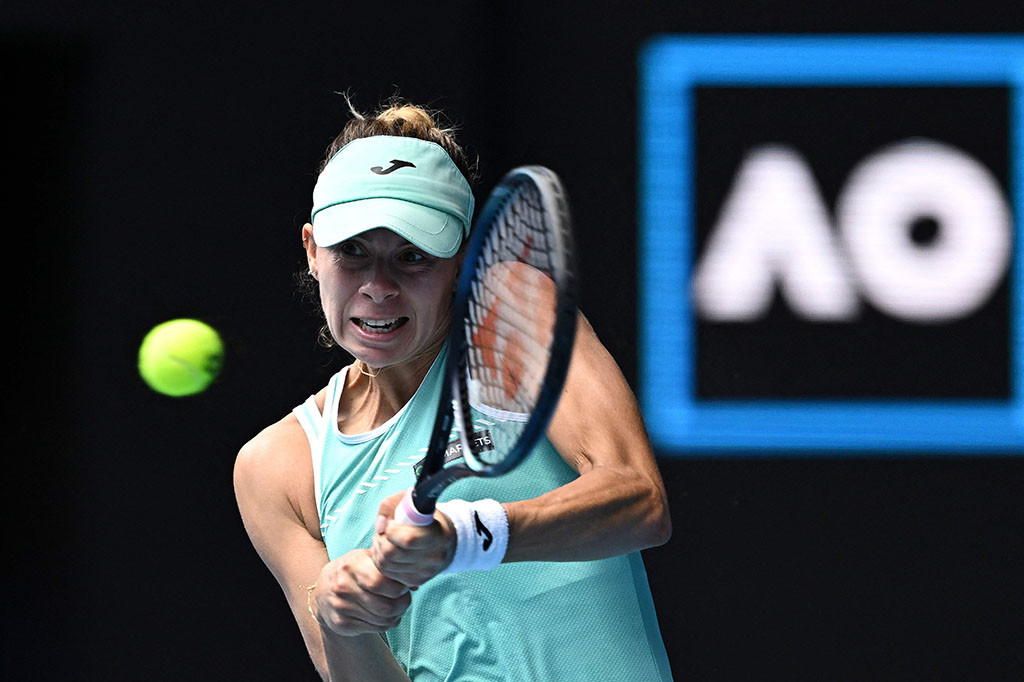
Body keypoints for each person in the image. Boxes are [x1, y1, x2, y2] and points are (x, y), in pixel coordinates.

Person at [234, 100, 675, 682]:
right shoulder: (276, 467)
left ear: (463, 262)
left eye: (412, 256)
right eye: (352, 252)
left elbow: (640, 500)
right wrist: (342, 619)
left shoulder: (509, 313)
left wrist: (467, 536)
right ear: (313, 251)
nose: (378, 286)